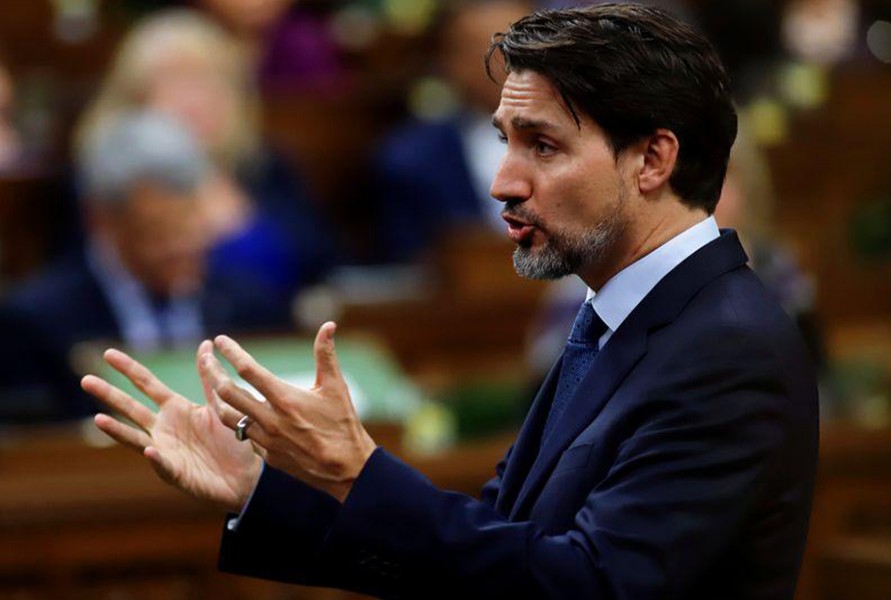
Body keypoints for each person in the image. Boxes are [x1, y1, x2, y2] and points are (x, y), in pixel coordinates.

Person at [82, 4, 819, 599]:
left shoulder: (728, 347)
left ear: (653, 159)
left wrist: (357, 471)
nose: (503, 182)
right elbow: (492, 547)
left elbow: (588, 586)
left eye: (543, 146)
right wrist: (259, 491)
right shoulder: (614, 316)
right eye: (505, 141)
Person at [0, 110, 288, 422]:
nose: (181, 246)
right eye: (158, 232)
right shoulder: (37, 324)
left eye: (191, 226)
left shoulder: (250, 304)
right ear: (101, 220)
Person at [74, 8, 337, 303]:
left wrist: (238, 218)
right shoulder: (105, 179)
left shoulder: (265, 166)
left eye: (207, 82)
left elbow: (326, 265)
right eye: (174, 82)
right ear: (134, 97)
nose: (194, 101)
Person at [372, 0, 531, 262]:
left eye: (526, 44)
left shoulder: (588, 141)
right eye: (492, 49)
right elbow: (411, 268)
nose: (513, 61)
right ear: (447, 61)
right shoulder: (411, 162)